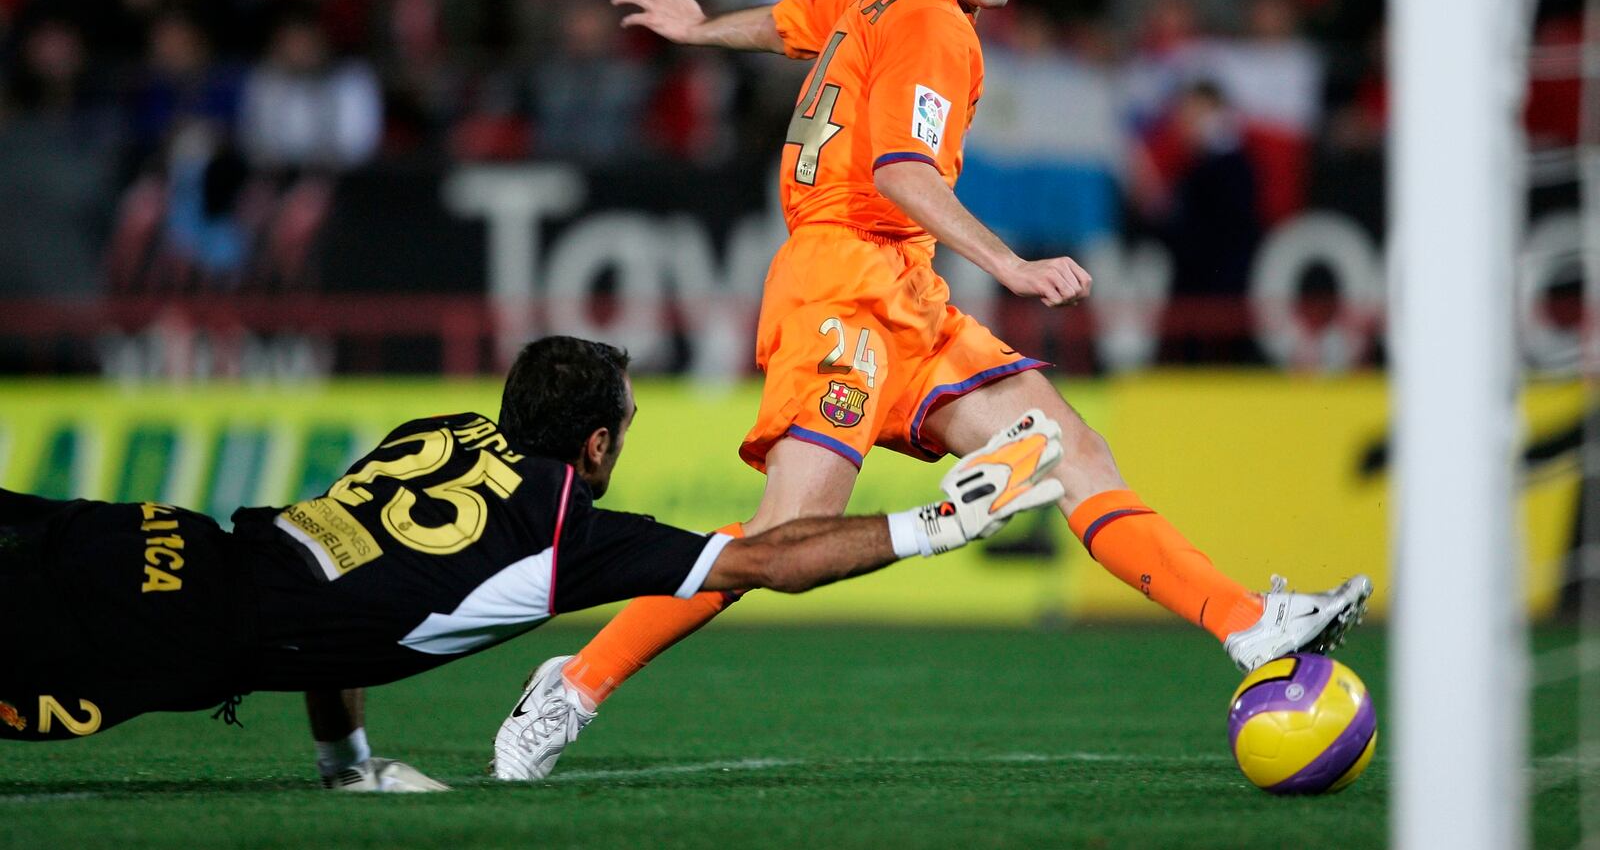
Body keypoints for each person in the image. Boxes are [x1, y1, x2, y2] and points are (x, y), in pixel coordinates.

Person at [490, 0, 1372, 782]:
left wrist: (703, 29)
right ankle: (575, 682)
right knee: (782, 543)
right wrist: (1013, 264)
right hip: (842, 283)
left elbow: (792, 20)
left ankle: (1248, 625)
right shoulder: (933, 25)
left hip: (899, 286)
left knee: (1071, 453)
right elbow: (901, 170)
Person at [0, 335, 1066, 794]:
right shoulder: (567, 529)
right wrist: (937, 522)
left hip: (158, 536)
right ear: (596, 444)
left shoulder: (439, 427)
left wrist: (348, 763)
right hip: (161, 630)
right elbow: (770, 558)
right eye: (626, 427)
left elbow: (342, 578)